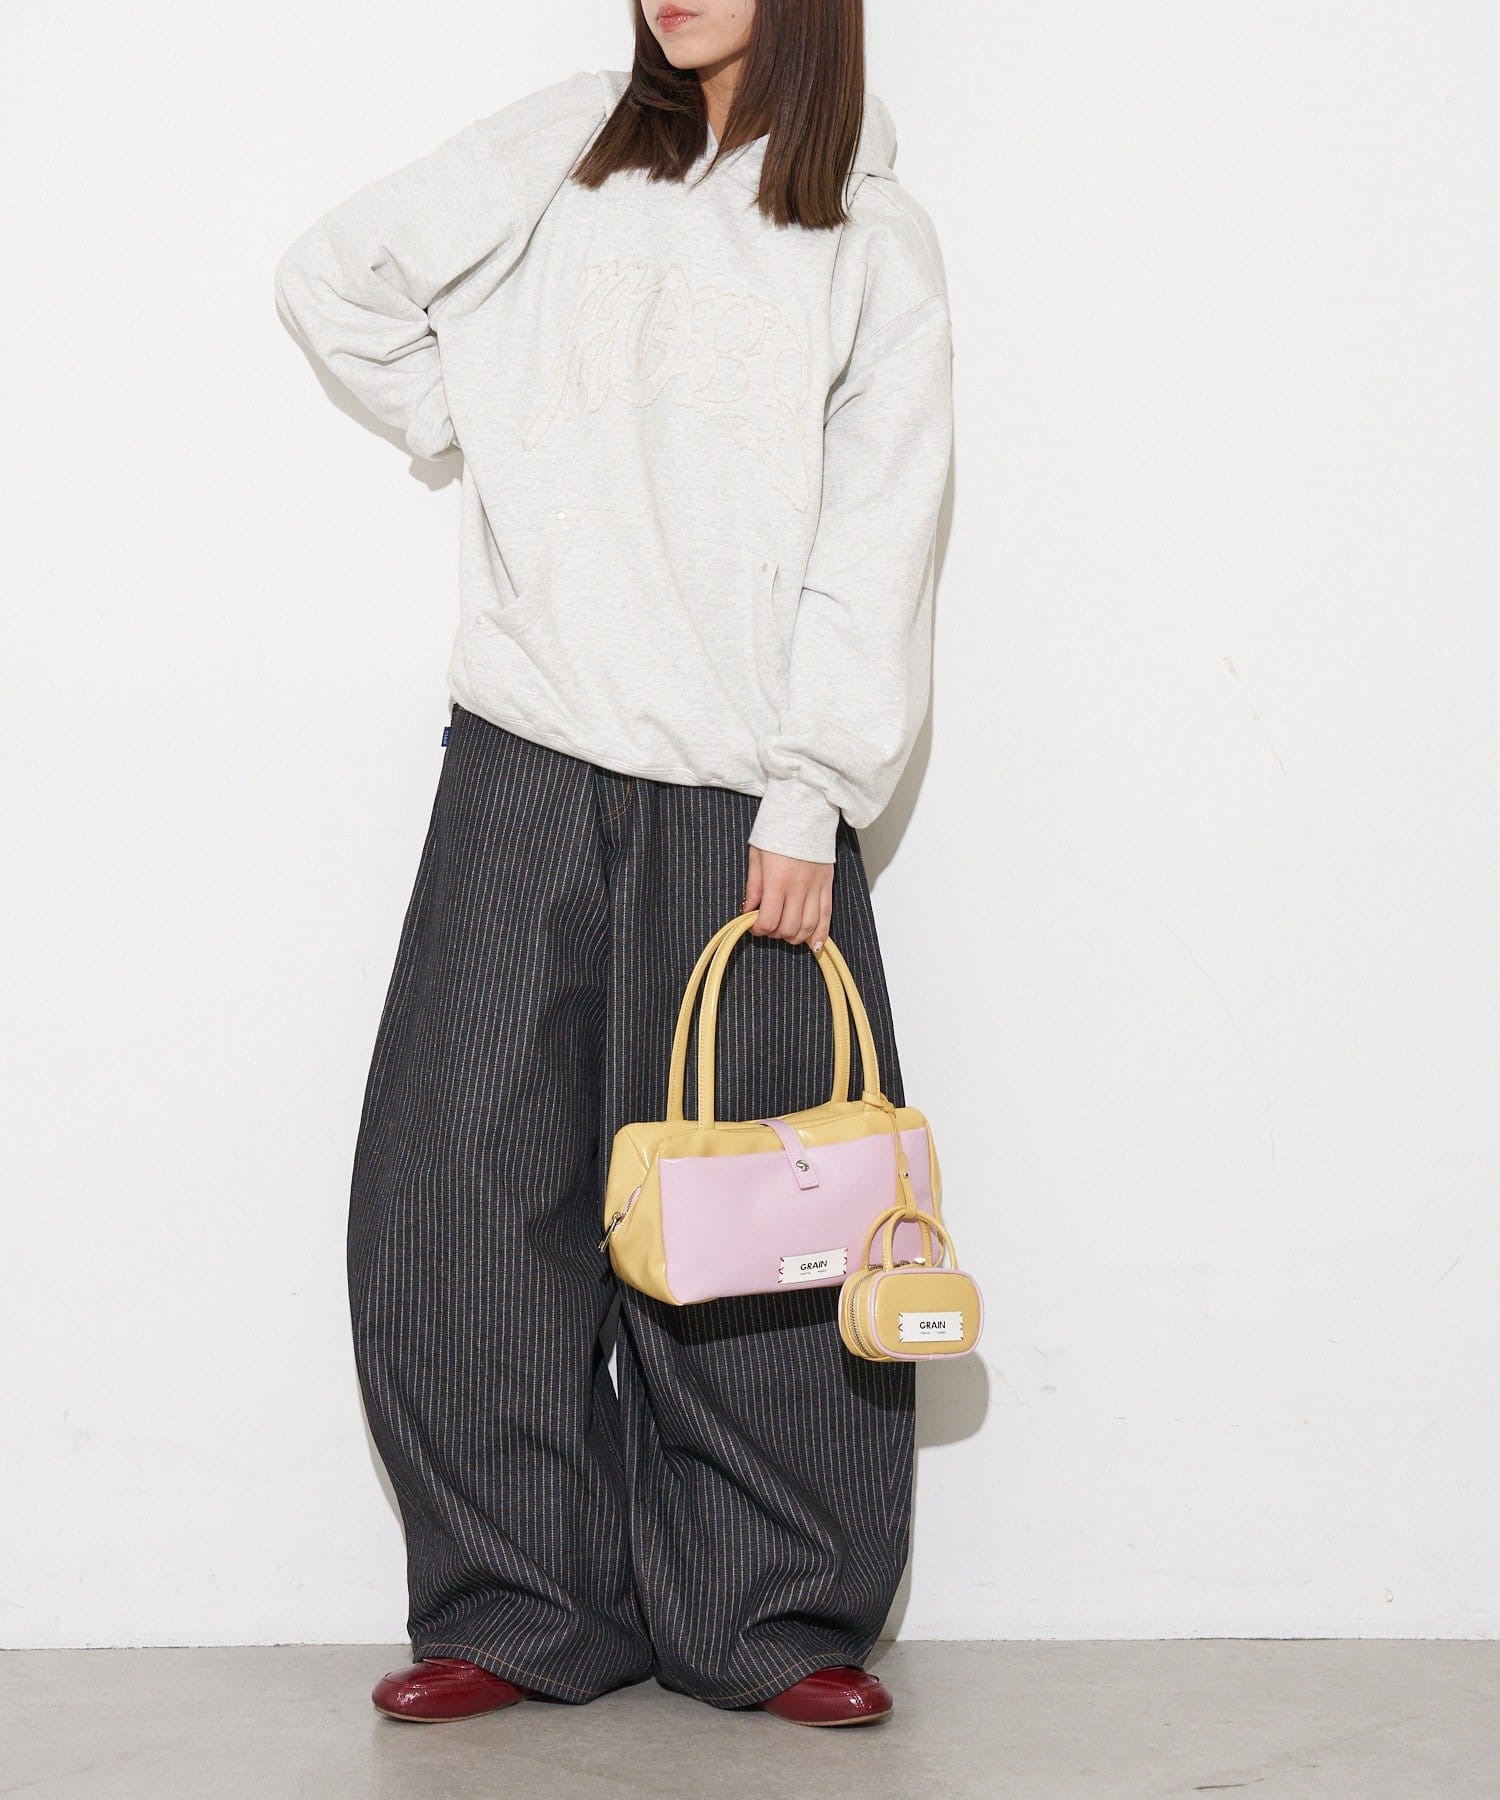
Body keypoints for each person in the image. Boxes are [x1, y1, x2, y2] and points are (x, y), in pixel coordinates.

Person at [274, 0, 953, 1730]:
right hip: (528, 746)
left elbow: (879, 533)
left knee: (770, 1213)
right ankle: (520, 1606)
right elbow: (336, 277)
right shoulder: (567, 141)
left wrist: (812, 795)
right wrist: (483, 430)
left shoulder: (869, 236)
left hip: (746, 797)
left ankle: (773, 1612)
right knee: (457, 1187)